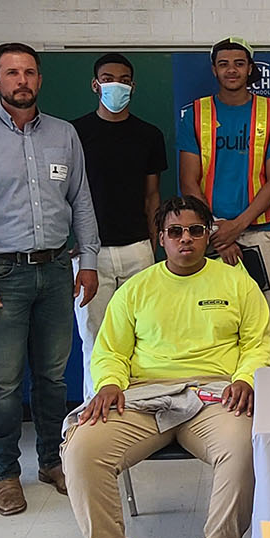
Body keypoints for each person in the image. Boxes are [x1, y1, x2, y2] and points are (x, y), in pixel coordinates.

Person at [63, 195, 270, 538]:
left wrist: (247, 377)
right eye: (175, 231)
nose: (185, 240)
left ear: (207, 235)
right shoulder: (135, 288)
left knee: (243, 450)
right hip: (144, 395)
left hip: (214, 395)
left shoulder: (237, 283)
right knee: (82, 451)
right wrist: (108, 385)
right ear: (161, 239)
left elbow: (259, 343)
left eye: (196, 231)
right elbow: (111, 352)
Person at [0, 41, 101, 516]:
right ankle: (3, 473)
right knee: (5, 383)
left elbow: (81, 201)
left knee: (54, 377)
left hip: (57, 269)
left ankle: (52, 462)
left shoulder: (64, 134)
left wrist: (88, 259)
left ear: (40, 78)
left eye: (29, 72)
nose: (22, 81)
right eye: (11, 73)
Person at [72, 53, 166, 399]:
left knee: (142, 335)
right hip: (88, 254)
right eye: (108, 78)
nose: (117, 85)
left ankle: (137, 409)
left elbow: (152, 194)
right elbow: (64, 192)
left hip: (138, 248)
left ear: (133, 86)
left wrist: (155, 242)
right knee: (94, 336)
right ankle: (93, 415)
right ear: (96, 85)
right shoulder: (74, 133)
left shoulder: (148, 135)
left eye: (124, 79)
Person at [178, 37, 270, 319]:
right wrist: (218, 232)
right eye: (223, 64)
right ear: (214, 70)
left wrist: (236, 227)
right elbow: (188, 181)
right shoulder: (195, 114)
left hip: (259, 233)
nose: (231, 70)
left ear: (250, 68)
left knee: (260, 319)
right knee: (210, 320)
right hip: (208, 236)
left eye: (239, 64)